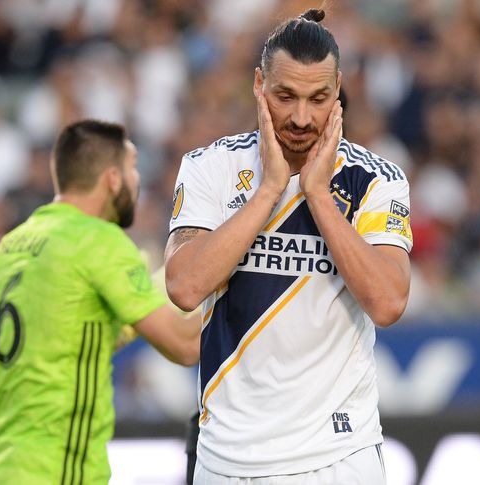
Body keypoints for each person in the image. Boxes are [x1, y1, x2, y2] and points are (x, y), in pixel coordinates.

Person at [165, 8, 413, 485]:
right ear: (259, 86)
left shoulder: (376, 181)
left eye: (319, 98)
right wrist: (268, 191)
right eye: (286, 96)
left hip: (339, 456)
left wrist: (317, 194)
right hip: (227, 458)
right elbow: (185, 286)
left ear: (339, 89)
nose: (302, 118)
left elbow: (387, 301)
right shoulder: (208, 167)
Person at [0, 119, 200, 484]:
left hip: (4, 466)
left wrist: (166, 284)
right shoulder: (97, 241)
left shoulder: (11, 246)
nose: (137, 181)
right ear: (112, 178)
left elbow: (77, 336)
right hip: (61, 470)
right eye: (132, 168)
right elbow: (185, 346)